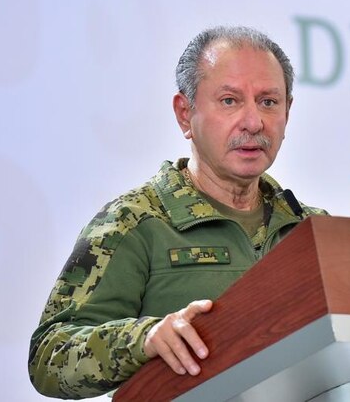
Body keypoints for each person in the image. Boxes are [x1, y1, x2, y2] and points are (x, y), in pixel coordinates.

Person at [28, 26, 327, 399]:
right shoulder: (136, 220)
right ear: (185, 115)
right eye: (230, 100)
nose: (254, 122)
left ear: (288, 111)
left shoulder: (314, 230)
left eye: (268, 101)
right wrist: (142, 339)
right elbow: (49, 356)